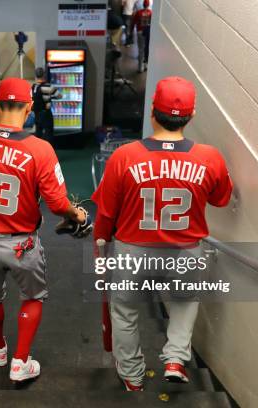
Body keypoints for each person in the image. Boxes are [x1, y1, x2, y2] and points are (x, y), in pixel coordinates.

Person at [0, 77, 91, 382]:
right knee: (33, 297)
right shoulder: (40, 148)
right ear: (30, 108)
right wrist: (77, 214)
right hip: (22, 243)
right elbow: (56, 203)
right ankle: (20, 362)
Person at [92, 76, 233, 391]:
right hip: (185, 251)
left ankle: (132, 376)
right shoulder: (209, 157)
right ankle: (174, 359)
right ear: (191, 116)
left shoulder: (124, 156)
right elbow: (221, 199)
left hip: (133, 251)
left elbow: (105, 213)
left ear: (152, 113)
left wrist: (101, 240)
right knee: (185, 302)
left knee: (125, 311)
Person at [31, 67, 62, 142]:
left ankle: (38, 150)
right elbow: (59, 96)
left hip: (37, 113)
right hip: (46, 113)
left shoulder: (33, 86)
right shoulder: (49, 86)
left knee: (38, 132)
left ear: (36, 75)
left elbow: (31, 98)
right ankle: (48, 150)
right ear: (44, 75)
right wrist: (51, 96)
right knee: (49, 133)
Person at [132, 0, 152, 72]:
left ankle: (140, 68)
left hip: (140, 32)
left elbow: (133, 22)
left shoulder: (138, 12)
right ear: (148, 5)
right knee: (147, 49)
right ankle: (146, 66)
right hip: (148, 32)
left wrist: (131, 32)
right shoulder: (150, 12)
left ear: (143, 4)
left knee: (141, 50)